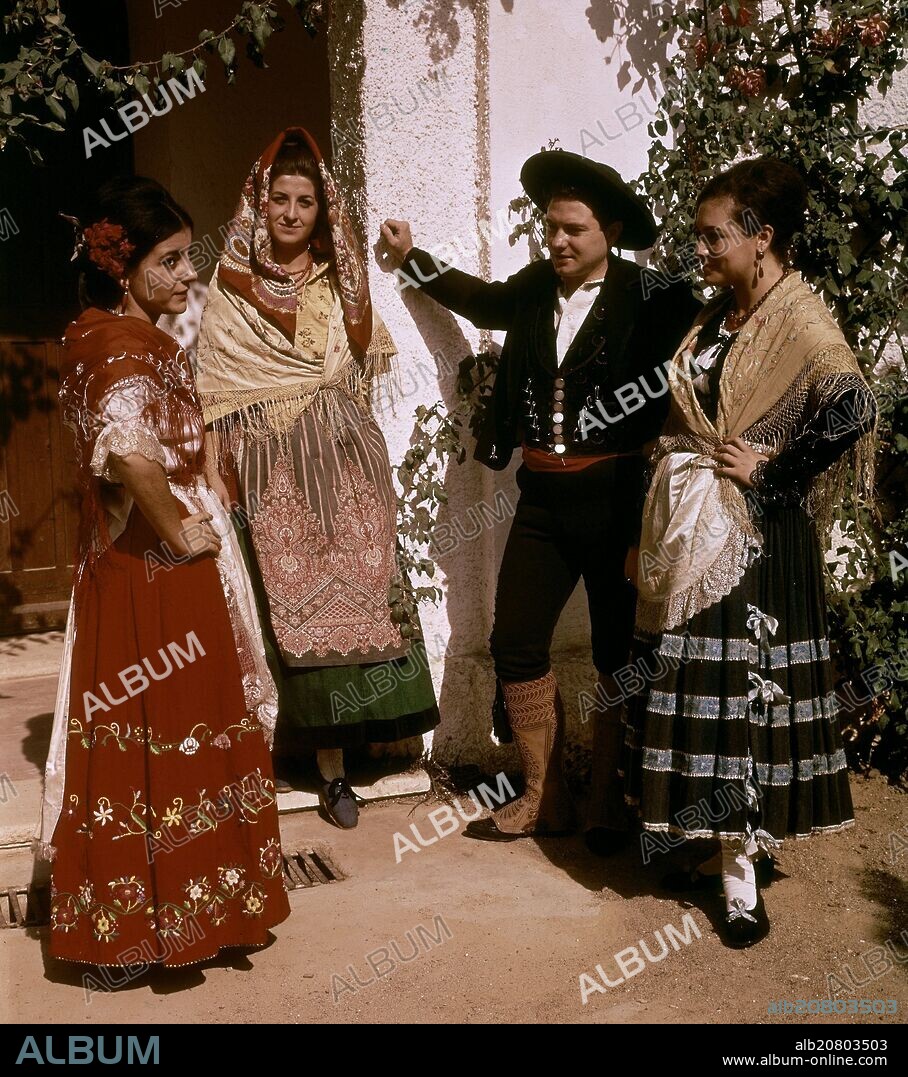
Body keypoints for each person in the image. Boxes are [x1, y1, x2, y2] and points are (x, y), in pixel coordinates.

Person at [381, 150, 698, 844]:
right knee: (515, 639)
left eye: (573, 229)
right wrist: (413, 260)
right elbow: (479, 297)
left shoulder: (652, 298)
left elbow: (714, 344)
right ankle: (542, 793)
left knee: (618, 651)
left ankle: (607, 798)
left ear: (608, 232)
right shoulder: (531, 289)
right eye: (550, 226)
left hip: (618, 499)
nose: (557, 240)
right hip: (543, 501)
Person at [623, 156, 876, 947]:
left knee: (739, 699)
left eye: (713, 236)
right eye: (699, 237)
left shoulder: (798, 315)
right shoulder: (721, 313)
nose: (701, 250)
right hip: (699, 527)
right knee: (701, 685)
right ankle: (716, 842)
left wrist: (777, 465)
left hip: (757, 539)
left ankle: (740, 884)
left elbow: (856, 403)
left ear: (762, 238)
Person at [36, 177, 289, 967]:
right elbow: (130, 453)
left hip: (137, 558)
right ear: (125, 266)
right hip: (153, 565)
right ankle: (158, 925)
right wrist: (181, 532)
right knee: (170, 729)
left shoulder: (113, 334)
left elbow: (159, 429)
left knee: (156, 736)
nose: (188, 276)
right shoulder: (120, 346)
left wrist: (205, 463)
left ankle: (162, 920)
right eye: (173, 261)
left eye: (188, 259)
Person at [196, 128, 439, 830]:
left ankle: (360, 754)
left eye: (306, 201)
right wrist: (214, 471)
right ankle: (324, 768)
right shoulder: (232, 291)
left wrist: (367, 464)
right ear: (258, 203)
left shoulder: (343, 285)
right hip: (269, 465)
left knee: (359, 598)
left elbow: (358, 376)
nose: (293, 213)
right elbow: (216, 390)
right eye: (280, 199)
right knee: (285, 606)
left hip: (344, 462)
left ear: (322, 210)